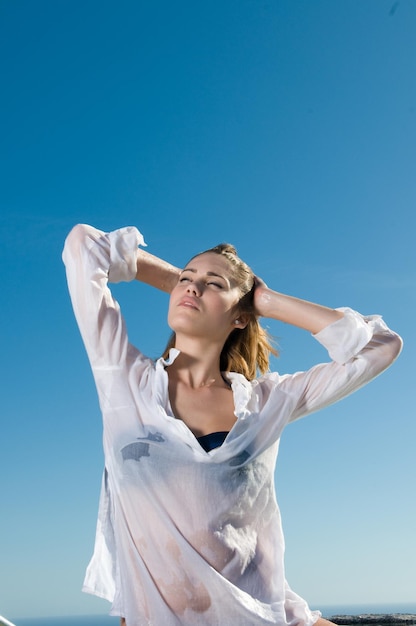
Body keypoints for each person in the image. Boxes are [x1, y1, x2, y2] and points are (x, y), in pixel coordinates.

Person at [63, 223, 402, 626]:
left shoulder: (267, 401)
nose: (191, 287)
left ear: (242, 318)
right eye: (186, 279)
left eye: (211, 284)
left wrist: (264, 301)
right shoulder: (123, 380)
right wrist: (192, 285)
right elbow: (84, 246)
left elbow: (381, 347)